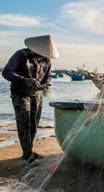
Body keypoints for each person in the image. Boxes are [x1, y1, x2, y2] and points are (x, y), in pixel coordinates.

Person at [2, 35, 58, 164]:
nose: (45, 54)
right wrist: (24, 80)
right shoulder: (21, 55)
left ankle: (29, 151)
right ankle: (27, 154)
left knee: (34, 124)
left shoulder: (46, 60)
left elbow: (47, 79)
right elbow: (7, 72)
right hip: (20, 93)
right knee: (24, 123)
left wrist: (46, 85)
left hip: (37, 94)